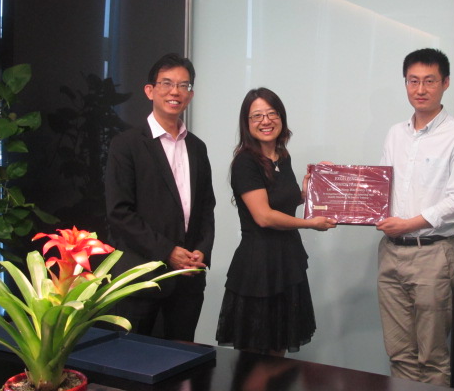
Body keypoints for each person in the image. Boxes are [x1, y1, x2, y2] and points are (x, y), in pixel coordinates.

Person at [376, 48, 454, 385]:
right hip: (391, 252)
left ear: (445, 83)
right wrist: (338, 185)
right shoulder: (395, 133)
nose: (420, 89)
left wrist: (410, 223)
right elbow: (381, 188)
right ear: (405, 83)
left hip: (433, 254)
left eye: (429, 81)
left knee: (432, 356)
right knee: (399, 352)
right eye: (413, 81)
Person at [216, 87, 336, 355]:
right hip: (259, 266)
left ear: (281, 117)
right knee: (257, 360)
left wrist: (310, 190)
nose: (266, 121)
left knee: (278, 353)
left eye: (272, 114)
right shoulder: (245, 162)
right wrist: (311, 224)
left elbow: (281, 202)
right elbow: (264, 216)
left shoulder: (282, 156)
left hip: (287, 262)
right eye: (257, 116)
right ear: (247, 123)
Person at [105, 53, 215, 342]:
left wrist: (202, 251)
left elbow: (206, 208)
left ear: (190, 94)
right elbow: (119, 212)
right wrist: (168, 251)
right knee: (133, 359)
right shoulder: (126, 144)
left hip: (188, 281)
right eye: (166, 83)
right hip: (140, 278)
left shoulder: (198, 147)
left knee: (182, 358)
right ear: (150, 90)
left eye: (183, 85)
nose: (175, 91)